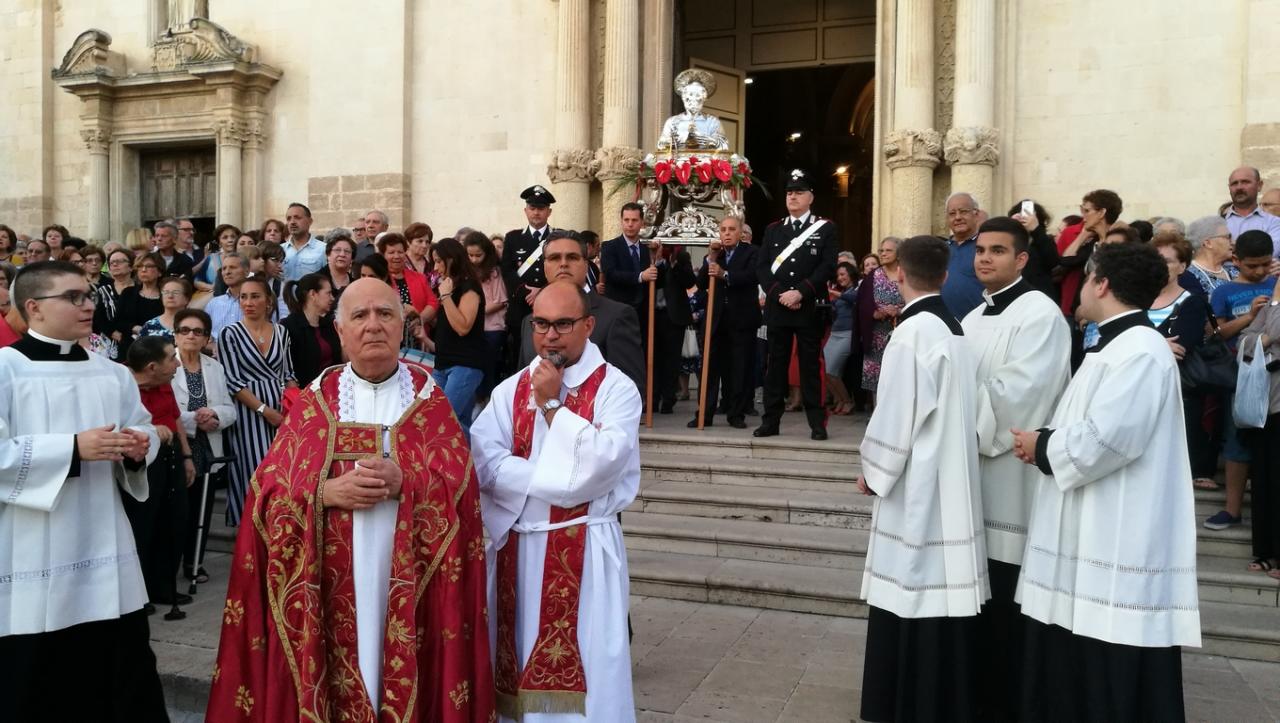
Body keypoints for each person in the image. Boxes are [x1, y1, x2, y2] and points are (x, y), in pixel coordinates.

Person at [206, 278, 495, 722]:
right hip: (325, 586)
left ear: (403, 327)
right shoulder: (314, 403)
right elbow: (267, 494)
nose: (373, 326)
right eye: (359, 316)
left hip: (410, 583)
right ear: (339, 331)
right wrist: (321, 492)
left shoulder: (430, 400)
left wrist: (409, 482)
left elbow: (463, 491)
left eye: (385, 315)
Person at [1011, 242, 1200, 722]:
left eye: (1086, 278)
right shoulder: (1115, 344)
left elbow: (1111, 440)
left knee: (1108, 645)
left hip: (1119, 527)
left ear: (1102, 284)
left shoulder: (1139, 349)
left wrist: (1043, 446)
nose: (1078, 289)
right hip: (1093, 518)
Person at [0, 260, 165, 721]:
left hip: (103, 540)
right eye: (73, 297)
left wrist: (137, 448)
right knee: (38, 680)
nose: (88, 304)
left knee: (120, 673)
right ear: (33, 307)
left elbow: (143, 429)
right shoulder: (5, 370)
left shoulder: (111, 373)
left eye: (89, 295)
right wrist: (72, 449)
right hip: (30, 547)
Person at [472, 280, 639, 722]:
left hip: (584, 556)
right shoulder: (511, 389)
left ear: (588, 325)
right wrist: (556, 480)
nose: (549, 335)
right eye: (541, 324)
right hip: (519, 551)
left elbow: (596, 469)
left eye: (562, 324)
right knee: (513, 665)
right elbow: (484, 461)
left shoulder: (617, 390)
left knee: (591, 677)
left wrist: (551, 407)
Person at [855, 236, 987, 723]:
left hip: (919, 483)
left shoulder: (911, 334)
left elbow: (896, 412)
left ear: (897, 276)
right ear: (947, 276)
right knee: (937, 584)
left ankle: (904, 700)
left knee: (913, 581)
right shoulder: (954, 330)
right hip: (951, 472)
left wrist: (874, 469)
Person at [958, 216, 1071, 720]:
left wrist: (953, 417)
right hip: (970, 473)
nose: (984, 258)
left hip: (1010, 476)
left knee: (1005, 587)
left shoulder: (1039, 313)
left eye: (997, 251)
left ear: (1022, 259)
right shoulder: (973, 316)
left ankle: (1006, 697)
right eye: (980, 250)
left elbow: (1021, 394)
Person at [755, 169, 838, 440]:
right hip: (779, 307)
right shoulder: (773, 230)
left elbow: (827, 266)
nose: (792, 196)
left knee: (810, 367)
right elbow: (763, 267)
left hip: (808, 307)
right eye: (789, 192)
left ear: (810, 197)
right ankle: (771, 421)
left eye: (799, 192)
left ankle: (817, 423)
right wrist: (780, 293)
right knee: (775, 365)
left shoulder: (825, 228)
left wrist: (801, 292)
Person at [1204, 230, 1276, 531]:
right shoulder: (1224, 292)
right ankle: (1232, 509)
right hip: (1242, 374)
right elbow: (1215, 334)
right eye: (1251, 266)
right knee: (1237, 440)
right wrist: (1250, 317)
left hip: (1274, 375)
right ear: (1236, 260)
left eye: (1264, 264)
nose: (1259, 271)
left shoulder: (1277, 284)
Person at [518, 231, 646, 398]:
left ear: (586, 265)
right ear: (545, 266)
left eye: (572, 257)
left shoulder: (617, 316)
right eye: (555, 258)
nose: (563, 264)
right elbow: (521, 386)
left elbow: (632, 390)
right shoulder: (530, 321)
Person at [218, 275, 297, 526]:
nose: (248, 302)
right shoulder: (229, 333)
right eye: (243, 297)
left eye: (255, 296)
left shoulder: (282, 332)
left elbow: (288, 375)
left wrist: (297, 408)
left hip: (280, 411)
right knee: (254, 470)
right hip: (247, 414)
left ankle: (278, 528)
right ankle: (249, 532)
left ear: (268, 301)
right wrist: (264, 410)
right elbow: (233, 381)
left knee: (282, 471)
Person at [124, 336, 195, 615]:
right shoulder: (122, 385)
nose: (177, 362)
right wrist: (151, 430)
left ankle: (163, 585)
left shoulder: (164, 382)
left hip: (171, 455)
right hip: (139, 461)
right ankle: (138, 593)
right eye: (171, 358)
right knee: (142, 525)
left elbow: (175, 418)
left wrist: (187, 456)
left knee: (175, 519)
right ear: (152, 366)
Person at [170, 308, 236, 586]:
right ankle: (169, 565)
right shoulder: (166, 363)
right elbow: (161, 409)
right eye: (184, 330)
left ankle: (194, 562)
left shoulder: (215, 367)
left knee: (202, 507)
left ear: (207, 337)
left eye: (198, 332)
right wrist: (195, 421)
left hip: (207, 449)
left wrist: (215, 415)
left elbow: (229, 408)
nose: (191, 336)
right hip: (177, 447)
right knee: (176, 511)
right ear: (175, 334)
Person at [1150, 233, 1215, 491]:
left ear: (1182, 266)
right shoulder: (1134, 299)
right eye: (1155, 260)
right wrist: (1158, 343)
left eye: (1167, 261)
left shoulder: (1192, 302)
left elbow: (1181, 348)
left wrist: (1141, 343)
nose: (1159, 266)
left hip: (1179, 391)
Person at [693, 215, 760, 428]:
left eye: (732, 229)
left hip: (741, 321)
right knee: (710, 369)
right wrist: (711, 259)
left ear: (740, 233)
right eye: (723, 230)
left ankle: (736, 414)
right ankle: (704, 413)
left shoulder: (752, 252)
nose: (727, 233)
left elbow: (752, 276)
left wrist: (726, 274)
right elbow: (701, 283)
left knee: (739, 369)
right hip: (716, 321)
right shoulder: (716, 255)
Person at [1240, 273, 1280, 579]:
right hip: (1266, 406)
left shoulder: (1273, 307)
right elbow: (1244, 344)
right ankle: (1265, 551)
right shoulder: (1267, 308)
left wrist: (1277, 302)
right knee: (1265, 481)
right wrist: (1265, 339)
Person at [431, 238, 488, 431]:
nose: (436, 267)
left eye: (439, 261)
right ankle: (471, 461)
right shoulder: (450, 287)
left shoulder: (469, 287)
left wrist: (445, 297)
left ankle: (473, 460)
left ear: (452, 259)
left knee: (444, 419)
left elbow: (463, 327)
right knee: (458, 423)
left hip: (464, 365)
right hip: (442, 365)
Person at [502, 185, 557, 365]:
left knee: (550, 356)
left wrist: (542, 292)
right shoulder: (512, 238)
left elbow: (562, 272)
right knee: (519, 357)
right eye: (532, 208)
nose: (536, 213)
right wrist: (528, 294)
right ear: (525, 210)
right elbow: (507, 271)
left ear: (549, 212)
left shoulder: (559, 237)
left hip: (551, 307)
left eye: (541, 209)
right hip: (521, 307)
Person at [857, 237, 903, 407]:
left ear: (899, 253)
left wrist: (899, 311)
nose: (883, 254)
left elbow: (917, 297)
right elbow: (862, 304)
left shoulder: (907, 273)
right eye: (881, 251)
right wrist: (874, 313)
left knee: (899, 375)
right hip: (877, 334)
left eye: (888, 250)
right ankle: (877, 416)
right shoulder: (873, 276)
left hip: (901, 333)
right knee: (876, 376)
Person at [464, 230, 509, 398]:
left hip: (493, 328)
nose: (474, 259)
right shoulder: (467, 271)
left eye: (478, 255)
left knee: (488, 369)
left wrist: (474, 313)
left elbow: (500, 301)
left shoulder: (494, 272)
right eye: (470, 255)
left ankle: (488, 402)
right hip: (473, 328)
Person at [601, 202, 657, 325]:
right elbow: (611, 274)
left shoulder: (646, 249)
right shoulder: (609, 247)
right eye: (626, 220)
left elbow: (656, 280)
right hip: (618, 312)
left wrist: (660, 260)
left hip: (643, 315)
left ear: (642, 222)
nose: (630, 224)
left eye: (634, 220)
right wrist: (641, 276)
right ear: (621, 221)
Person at [282, 272, 341, 387]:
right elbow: (287, 371)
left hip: (332, 390)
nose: (332, 298)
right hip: (306, 395)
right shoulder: (289, 327)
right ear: (313, 294)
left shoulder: (329, 325)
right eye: (328, 293)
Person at [112, 251, 165, 358]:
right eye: (140, 266)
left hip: (158, 349)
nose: (143, 270)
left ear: (159, 271)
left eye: (149, 266)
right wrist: (134, 328)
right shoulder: (128, 293)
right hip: (130, 348)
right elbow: (118, 321)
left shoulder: (166, 295)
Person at [941, 192, 984, 318]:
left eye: (963, 211)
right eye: (952, 213)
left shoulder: (985, 248)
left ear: (976, 215)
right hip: (943, 327)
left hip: (977, 326)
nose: (957, 217)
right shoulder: (940, 250)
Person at [824, 261, 859, 416]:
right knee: (825, 370)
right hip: (835, 333)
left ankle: (848, 401)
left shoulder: (857, 288)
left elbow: (854, 298)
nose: (840, 278)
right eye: (838, 275)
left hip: (847, 333)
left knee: (831, 370)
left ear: (851, 274)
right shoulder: (842, 290)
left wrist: (834, 293)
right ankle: (840, 400)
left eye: (843, 274)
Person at [1007, 199, 1060, 296]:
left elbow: (1053, 261)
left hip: (1040, 294)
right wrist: (1011, 227)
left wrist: (1036, 229)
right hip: (1014, 294)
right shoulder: (1009, 239)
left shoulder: (1044, 239)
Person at [1225, 165, 1280, 254]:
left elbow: (1270, 253)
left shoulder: (1274, 223)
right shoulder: (1218, 223)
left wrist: (1231, 249)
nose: (1239, 187)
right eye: (1234, 183)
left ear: (1259, 185)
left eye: (1245, 182)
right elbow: (1211, 258)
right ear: (1229, 188)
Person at [1185, 215, 1239, 296]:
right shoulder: (1189, 276)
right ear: (1208, 243)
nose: (1233, 242)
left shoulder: (1235, 271)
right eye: (1228, 237)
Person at [205, 252, 248, 341]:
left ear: (247, 271)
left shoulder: (258, 301)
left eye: (233, 267)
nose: (227, 272)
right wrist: (213, 347)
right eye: (224, 268)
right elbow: (204, 337)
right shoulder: (213, 304)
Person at [193, 223, 239, 306]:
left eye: (233, 237)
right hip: (213, 301)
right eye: (225, 237)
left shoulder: (242, 259)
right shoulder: (211, 258)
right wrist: (211, 287)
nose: (230, 240)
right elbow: (196, 281)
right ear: (219, 243)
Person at [282, 202, 326, 281]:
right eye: (289, 219)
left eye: (297, 217)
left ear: (310, 221)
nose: (292, 222)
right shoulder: (280, 250)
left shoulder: (323, 249)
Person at [139, 275, 192, 340]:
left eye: (176, 292)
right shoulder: (150, 325)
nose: (170, 296)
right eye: (166, 292)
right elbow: (138, 349)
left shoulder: (195, 324)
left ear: (187, 299)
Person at [322, 229, 357, 300]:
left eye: (347, 251)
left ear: (352, 258)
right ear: (328, 254)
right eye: (337, 250)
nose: (342, 254)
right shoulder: (317, 280)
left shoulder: (355, 284)